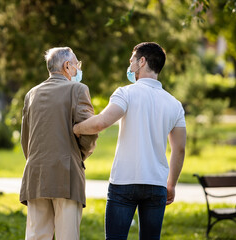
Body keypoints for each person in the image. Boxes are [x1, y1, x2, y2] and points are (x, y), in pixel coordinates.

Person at [73, 42, 186, 240]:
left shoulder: (125, 93)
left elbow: (101, 123)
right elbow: (180, 149)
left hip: (124, 182)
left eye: (132, 60)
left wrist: (75, 128)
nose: (130, 65)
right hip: (156, 183)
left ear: (142, 62)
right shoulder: (174, 104)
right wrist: (172, 184)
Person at [20, 47, 98, 240]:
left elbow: (25, 138)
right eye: (77, 64)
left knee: (37, 236)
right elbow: (89, 132)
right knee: (67, 236)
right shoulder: (78, 89)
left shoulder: (31, 94)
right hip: (67, 175)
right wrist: (78, 155)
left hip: (35, 175)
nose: (78, 69)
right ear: (67, 66)